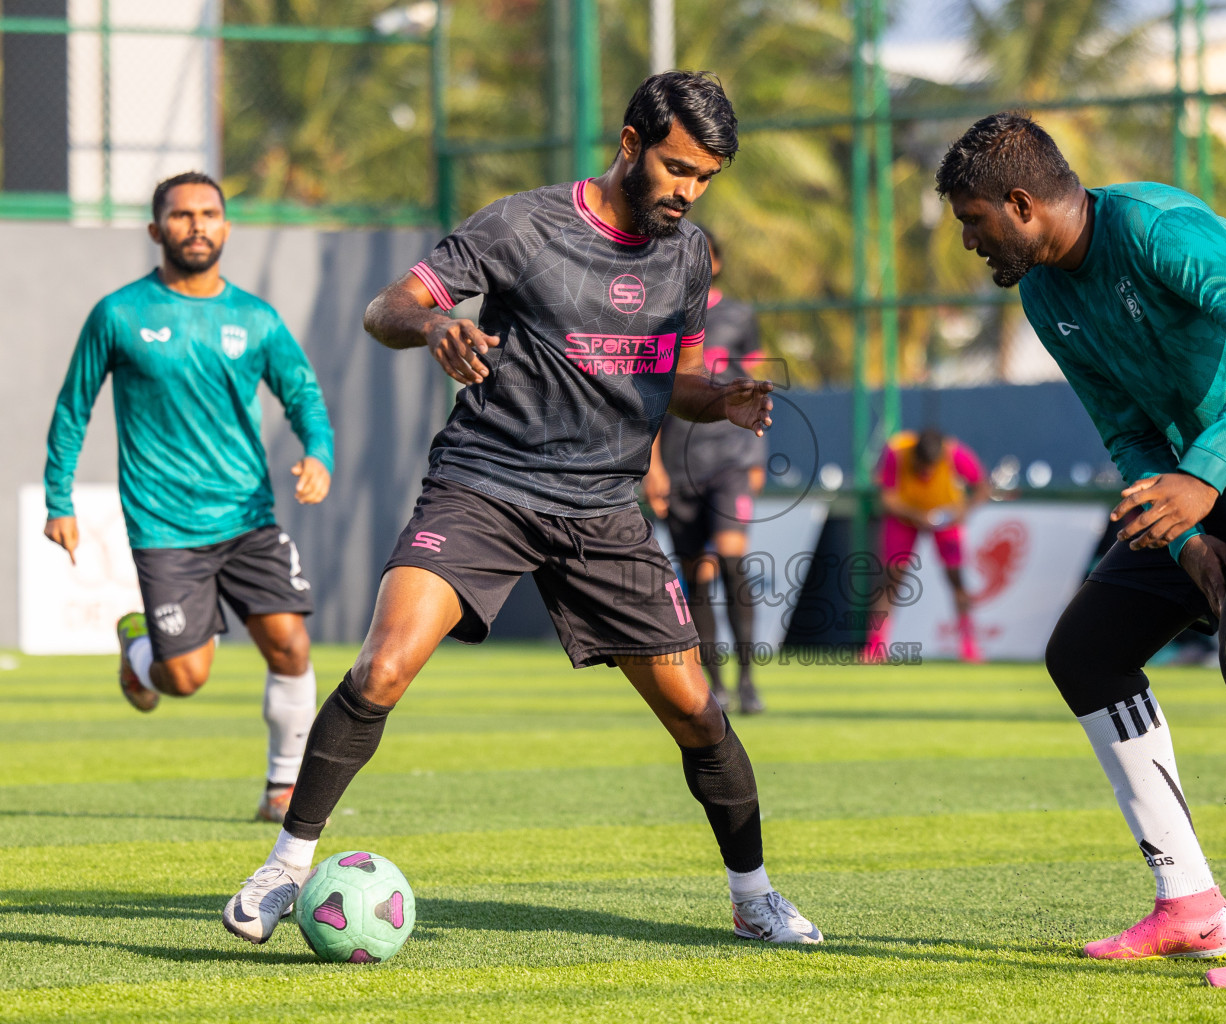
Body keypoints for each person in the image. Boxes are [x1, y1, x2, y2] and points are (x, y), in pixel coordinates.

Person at [221, 72, 821, 948]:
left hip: (604, 509)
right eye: (679, 168)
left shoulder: (687, 256)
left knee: (698, 711)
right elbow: (387, 308)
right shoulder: (521, 224)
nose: (688, 194)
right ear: (631, 143)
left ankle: (754, 894)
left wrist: (718, 399)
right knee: (383, 667)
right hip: (486, 486)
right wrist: (436, 330)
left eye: (706, 179)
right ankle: (284, 866)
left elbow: (675, 379)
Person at [938, 112, 1226, 990]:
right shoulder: (1044, 295)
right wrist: (1186, 532)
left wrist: (1205, 475)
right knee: (1086, 652)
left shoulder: (1157, 227)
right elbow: (1124, 425)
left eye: (973, 218)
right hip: (1203, 473)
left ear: (1023, 203)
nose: (968, 239)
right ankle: (1190, 904)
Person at [43, 172, 334, 823]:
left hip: (248, 517)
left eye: (209, 213)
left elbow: (305, 398)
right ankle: (139, 648)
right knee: (185, 680)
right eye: (181, 215)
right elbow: (73, 410)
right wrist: (58, 500)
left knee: (290, 645)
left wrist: (319, 454)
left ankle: (281, 790)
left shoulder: (256, 320)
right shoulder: (119, 314)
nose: (196, 224)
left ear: (226, 227)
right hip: (165, 526)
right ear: (156, 230)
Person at [644, 228, 769, 713]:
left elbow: (758, 389)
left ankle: (750, 681)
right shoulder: (657, 320)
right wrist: (652, 467)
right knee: (696, 576)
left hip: (731, 461)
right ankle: (714, 683)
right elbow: (648, 400)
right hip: (678, 465)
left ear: (714, 262)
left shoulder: (740, 316)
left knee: (733, 558)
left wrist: (757, 456)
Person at [863, 426, 991, 663]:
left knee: (956, 577)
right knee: (891, 577)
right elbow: (887, 499)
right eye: (921, 466)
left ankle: (969, 644)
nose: (925, 472)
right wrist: (916, 515)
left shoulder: (956, 454)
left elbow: (983, 486)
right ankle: (875, 645)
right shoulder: (897, 451)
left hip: (946, 518)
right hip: (904, 516)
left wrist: (964, 510)